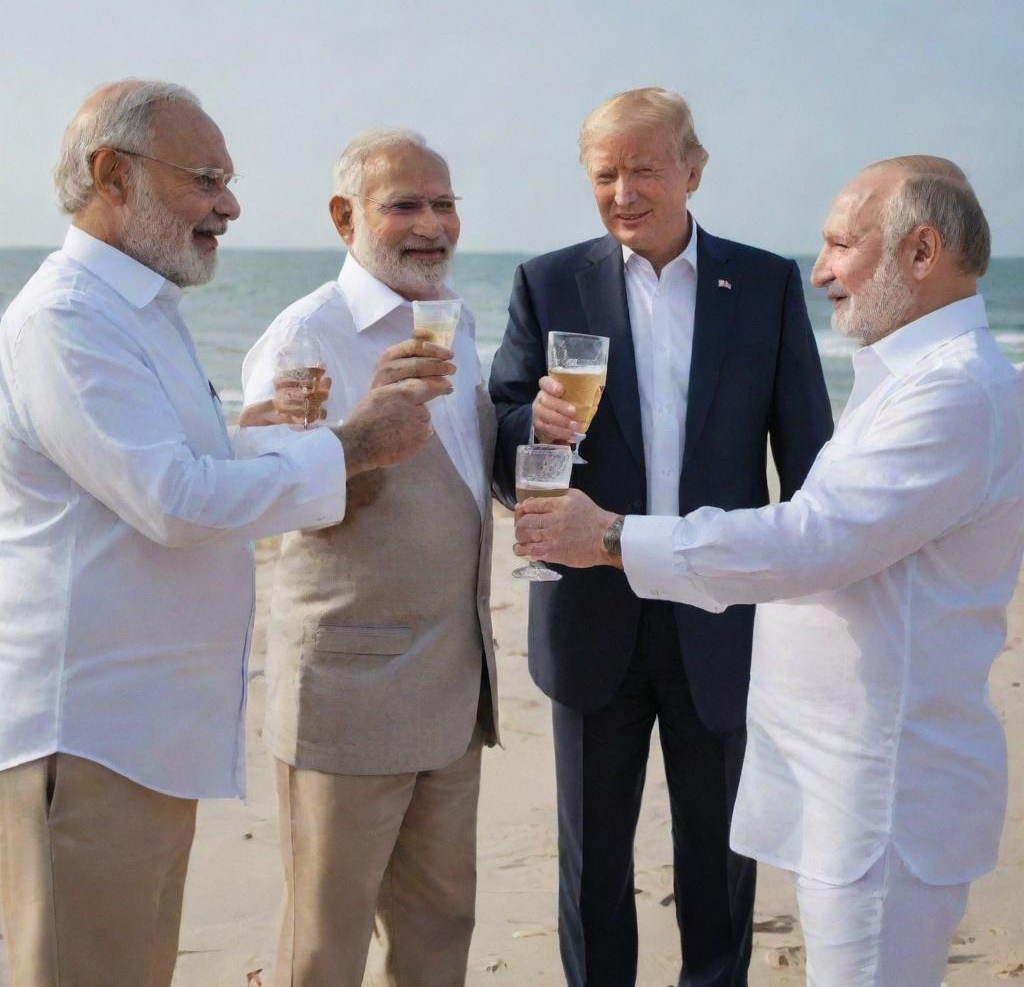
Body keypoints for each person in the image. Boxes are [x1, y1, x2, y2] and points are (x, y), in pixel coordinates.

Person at [514, 156, 1023, 986]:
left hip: (884, 800)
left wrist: (610, 537)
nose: (820, 271)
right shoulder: (909, 379)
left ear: (922, 253)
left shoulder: (954, 393)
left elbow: (810, 539)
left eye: (840, 245)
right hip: (852, 793)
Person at [0, 82, 442, 987]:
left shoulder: (137, 312)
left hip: (146, 738)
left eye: (227, 182)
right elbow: (173, 502)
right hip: (87, 738)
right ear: (111, 175)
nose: (230, 206)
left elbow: (159, 469)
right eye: (206, 179)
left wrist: (263, 435)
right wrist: (354, 446)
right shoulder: (66, 320)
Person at [488, 87, 833, 987]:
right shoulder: (548, 281)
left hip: (720, 616)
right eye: (605, 173)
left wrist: (814, 607)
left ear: (693, 169)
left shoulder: (765, 284)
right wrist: (537, 427)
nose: (625, 191)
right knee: (593, 865)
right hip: (591, 618)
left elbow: (808, 462)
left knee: (721, 860)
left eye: (644, 168)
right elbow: (499, 440)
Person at [240, 127, 499, 987]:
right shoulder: (304, 336)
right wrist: (361, 435)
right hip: (350, 689)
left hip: (452, 684)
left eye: (445, 203)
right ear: (345, 216)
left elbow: (463, 483)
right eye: (405, 205)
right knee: (325, 943)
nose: (432, 225)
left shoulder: (452, 322)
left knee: (440, 927)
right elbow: (268, 495)